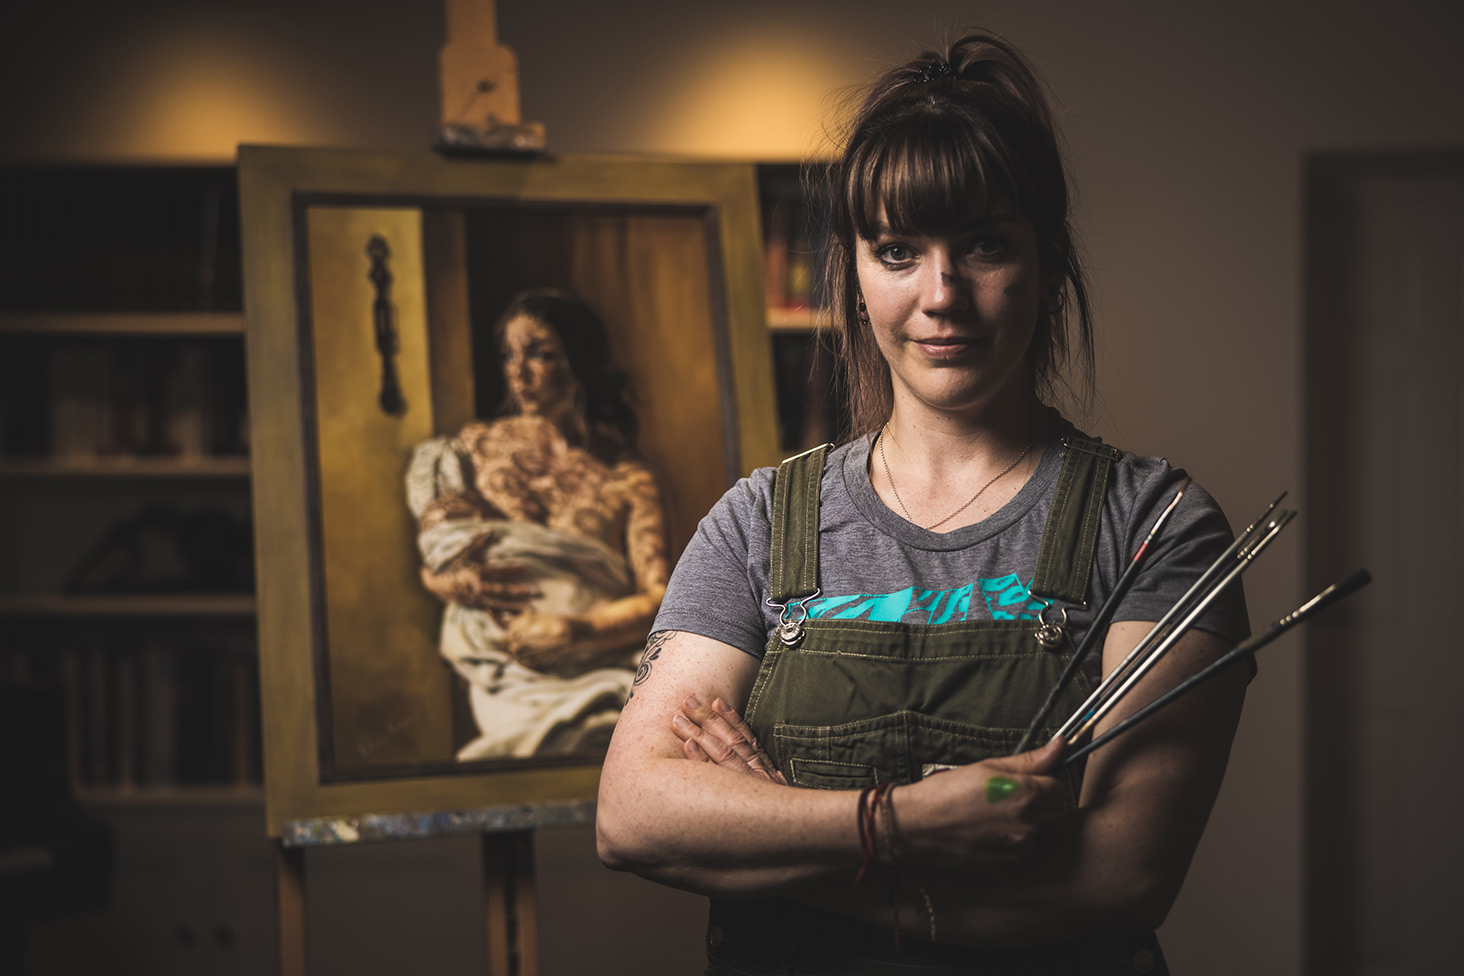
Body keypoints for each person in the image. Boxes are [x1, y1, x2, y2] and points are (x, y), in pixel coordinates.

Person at [596, 31, 1251, 975]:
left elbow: (1115, 879)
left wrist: (773, 844)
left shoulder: (1156, 528)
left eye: (984, 246)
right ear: (854, 275)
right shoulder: (757, 523)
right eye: (898, 249)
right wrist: (898, 825)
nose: (941, 295)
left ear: (1048, 261)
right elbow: (632, 816)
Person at [407, 290, 669, 760]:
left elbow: (660, 599)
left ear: (579, 361)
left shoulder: (626, 477)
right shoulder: (474, 449)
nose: (517, 372)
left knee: (634, 733)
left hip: (599, 659)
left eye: (540, 354)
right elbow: (440, 551)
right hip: (508, 669)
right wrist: (453, 583)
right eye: (508, 354)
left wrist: (576, 631)